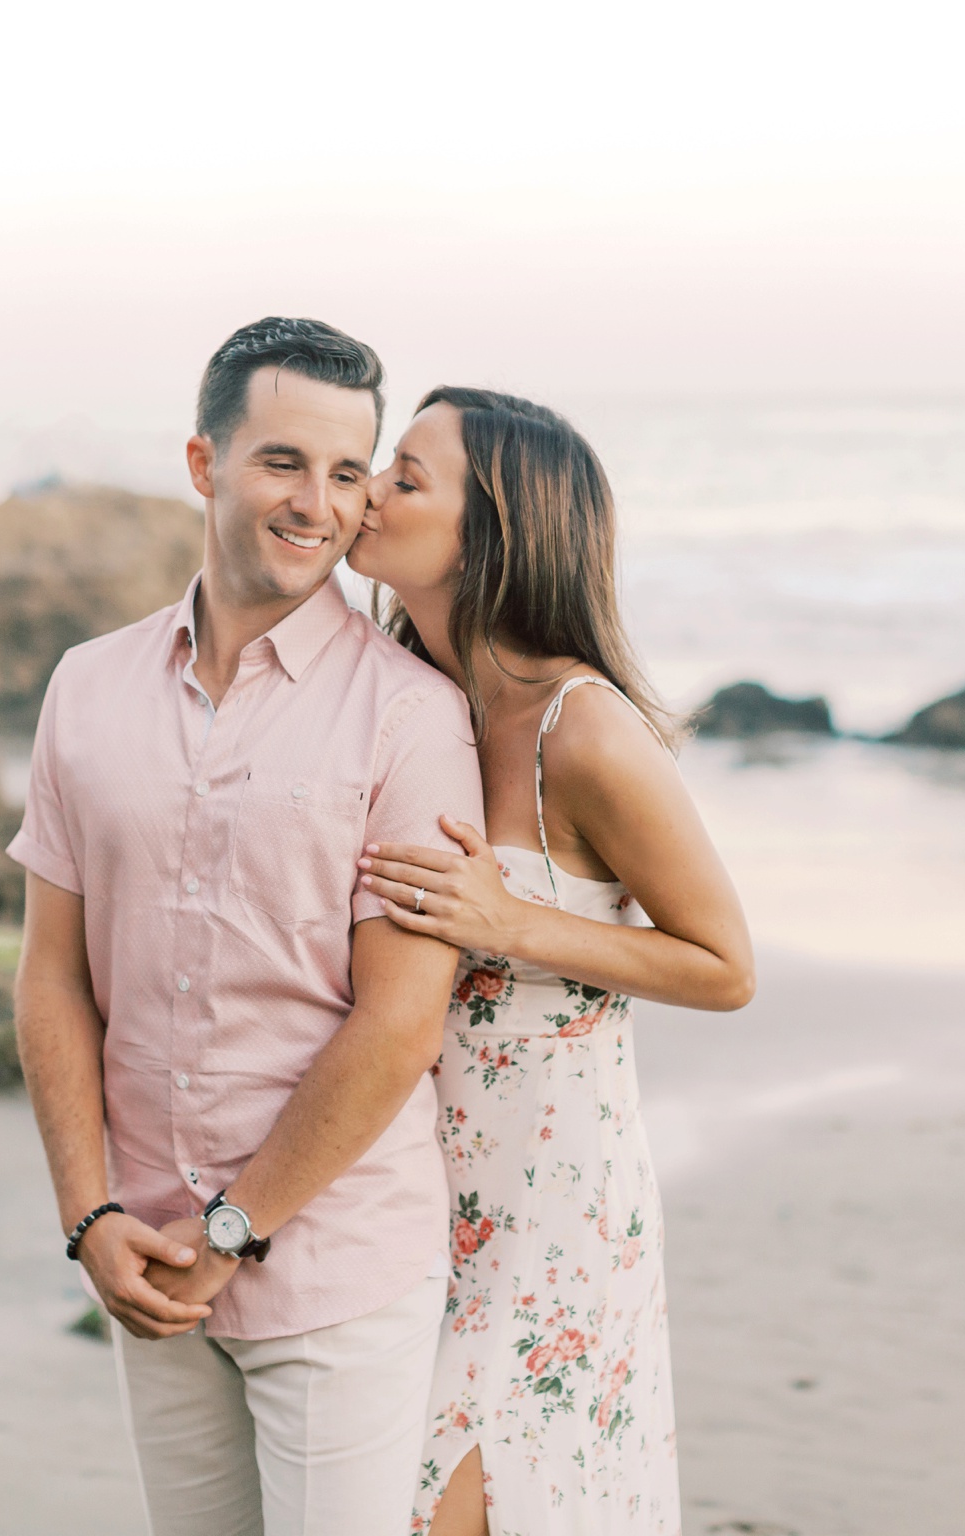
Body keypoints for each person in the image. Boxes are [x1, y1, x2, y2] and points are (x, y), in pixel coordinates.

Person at [7, 318, 485, 1536]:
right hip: (149, 1262)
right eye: (282, 461)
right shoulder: (85, 687)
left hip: (336, 1275)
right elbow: (52, 977)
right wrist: (88, 1217)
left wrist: (233, 1230)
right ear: (202, 463)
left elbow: (400, 1022)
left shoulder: (412, 718)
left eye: (346, 473)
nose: (316, 504)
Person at [346, 388, 756, 1535]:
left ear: (492, 532)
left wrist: (512, 923)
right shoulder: (399, 699)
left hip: (545, 1202)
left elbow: (722, 965)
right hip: (400, 1187)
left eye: (405, 477)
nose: (367, 492)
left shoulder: (583, 728)